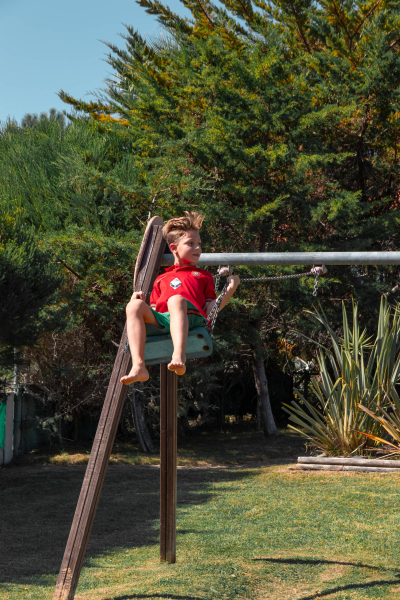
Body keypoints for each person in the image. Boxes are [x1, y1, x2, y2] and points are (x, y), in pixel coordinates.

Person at [120, 212, 240, 385]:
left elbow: (210, 310)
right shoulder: (161, 278)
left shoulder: (203, 275)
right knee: (133, 306)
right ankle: (139, 366)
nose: (198, 248)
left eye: (199, 243)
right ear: (174, 248)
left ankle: (179, 355)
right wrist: (137, 302)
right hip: (165, 320)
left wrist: (229, 289)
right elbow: (154, 309)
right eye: (190, 243)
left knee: (176, 300)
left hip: (191, 318)